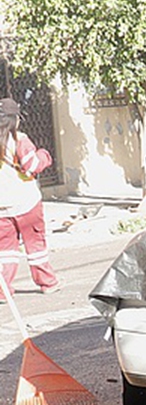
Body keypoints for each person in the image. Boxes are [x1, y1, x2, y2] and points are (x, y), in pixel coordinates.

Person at [0, 98, 59, 295]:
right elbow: (32, 166)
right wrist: (44, 155)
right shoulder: (19, 140)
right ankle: (47, 282)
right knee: (35, 244)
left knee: (6, 250)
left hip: (2, 207)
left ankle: (3, 289)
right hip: (26, 202)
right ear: (15, 119)